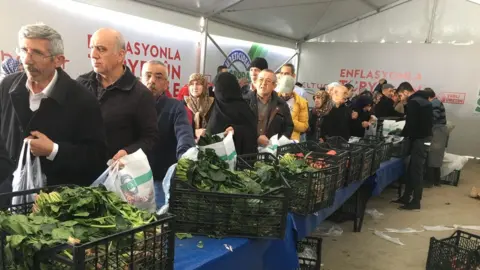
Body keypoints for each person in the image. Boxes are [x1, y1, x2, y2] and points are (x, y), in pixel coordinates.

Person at [0, 23, 107, 187]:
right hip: (8, 198)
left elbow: (96, 158)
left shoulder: (82, 100)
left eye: (37, 53)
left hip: (56, 203)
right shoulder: (7, 86)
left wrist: (54, 150)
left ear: (58, 60)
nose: (27, 60)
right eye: (23, 50)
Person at [77, 28, 159, 160]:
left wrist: (128, 153)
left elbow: (150, 138)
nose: (93, 54)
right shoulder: (81, 84)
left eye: (101, 49)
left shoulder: (141, 94)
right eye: (92, 48)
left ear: (121, 55)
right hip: (78, 172)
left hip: (115, 174)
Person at [141, 60, 195, 206]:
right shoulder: (132, 106)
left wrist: (185, 156)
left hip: (160, 178)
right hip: (133, 179)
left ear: (166, 84)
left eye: (158, 77)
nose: (152, 80)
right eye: (148, 75)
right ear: (141, 79)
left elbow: (184, 132)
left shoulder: (175, 107)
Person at [393, 88, 433, 210]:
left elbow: (411, 123)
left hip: (419, 140)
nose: (400, 98)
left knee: (416, 170)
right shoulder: (423, 101)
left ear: (405, 92)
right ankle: (406, 197)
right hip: (423, 138)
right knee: (412, 168)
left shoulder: (414, 102)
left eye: (400, 95)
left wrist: (401, 135)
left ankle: (416, 201)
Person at [206, 72, 258, 155]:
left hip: (240, 162)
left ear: (224, 89)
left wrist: (236, 130)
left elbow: (252, 133)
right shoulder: (217, 106)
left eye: (216, 87)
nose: (213, 90)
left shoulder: (243, 109)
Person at [244, 69, 293, 146]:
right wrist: (256, 138)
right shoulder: (245, 101)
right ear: (256, 82)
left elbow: (288, 126)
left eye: (268, 81)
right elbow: (239, 125)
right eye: (261, 79)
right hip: (248, 149)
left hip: (271, 151)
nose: (263, 83)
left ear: (274, 86)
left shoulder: (281, 104)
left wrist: (278, 143)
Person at [423, 87, 447, 187]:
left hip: (437, 131)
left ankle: (430, 182)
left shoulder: (434, 103)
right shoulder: (436, 102)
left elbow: (434, 117)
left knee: (432, 156)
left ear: (428, 97)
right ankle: (436, 181)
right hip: (438, 131)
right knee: (436, 157)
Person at [277, 75, 308, 142]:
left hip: (291, 141)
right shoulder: (273, 98)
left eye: (287, 91)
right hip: (274, 139)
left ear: (293, 88)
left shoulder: (301, 103)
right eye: (283, 90)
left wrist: (290, 120)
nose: (285, 93)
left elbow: (304, 127)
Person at [184, 73, 214, 139]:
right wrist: (194, 132)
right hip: (189, 143)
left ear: (204, 86)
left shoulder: (212, 103)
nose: (195, 87)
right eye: (192, 84)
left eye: (198, 84)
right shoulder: (184, 103)